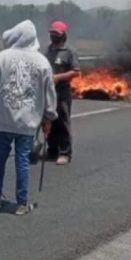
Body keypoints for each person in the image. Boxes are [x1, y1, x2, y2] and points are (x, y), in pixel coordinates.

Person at [0, 20, 58, 216]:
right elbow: (49, 92)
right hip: (28, 121)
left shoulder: (3, 57)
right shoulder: (42, 62)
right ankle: (22, 203)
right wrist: (49, 117)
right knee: (22, 160)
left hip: (3, 119)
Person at [45, 20, 81, 165]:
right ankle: (51, 150)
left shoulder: (69, 51)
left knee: (62, 122)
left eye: (56, 34)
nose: (53, 36)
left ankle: (65, 152)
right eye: (52, 33)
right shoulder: (48, 50)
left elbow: (76, 72)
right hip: (49, 91)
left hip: (62, 92)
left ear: (63, 35)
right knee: (49, 120)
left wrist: (59, 77)